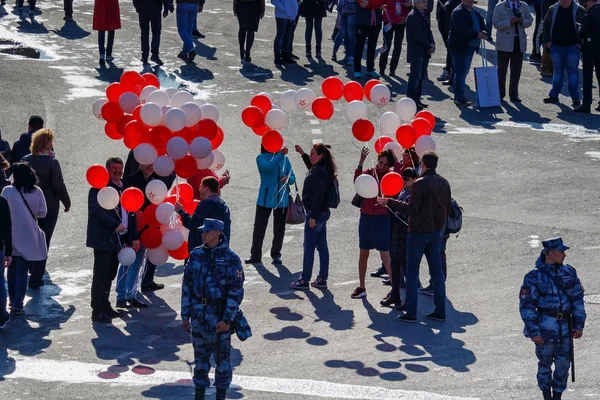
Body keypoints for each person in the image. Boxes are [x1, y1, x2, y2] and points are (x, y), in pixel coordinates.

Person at [381, 152, 451, 323]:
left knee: (412, 273)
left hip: (419, 232)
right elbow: (447, 207)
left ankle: (411, 312)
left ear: (423, 165)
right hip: (436, 232)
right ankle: (440, 310)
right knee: (437, 272)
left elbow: (411, 209)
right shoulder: (444, 182)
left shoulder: (419, 184)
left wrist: (388, 201)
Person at [181, 218, 244, 400]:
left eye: (207, 231)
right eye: (202, 231)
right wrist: (185, 315)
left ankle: (220, 396)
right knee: (200, 362)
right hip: (198, 316)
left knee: (222, 363)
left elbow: (236, 292)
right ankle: (199, 395)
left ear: (217, 233)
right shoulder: (196, 255)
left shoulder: (231, 259)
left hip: (218, 317)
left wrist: (227, 320)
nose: (202, 234)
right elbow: (187, 286)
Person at [519, 237, 586, 400]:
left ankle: (557, 396)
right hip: (545, 327)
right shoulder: (534, 277)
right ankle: (546, 396)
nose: (564, 255)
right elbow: (527, 306)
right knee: (544, 364)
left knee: (564, 365)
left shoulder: (569, 272)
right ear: (551, 253)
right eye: (561, 251)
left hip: (565, 327)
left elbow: (577, 299)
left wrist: (579, 324)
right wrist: (534, 331)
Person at [86, 157, 139, 323]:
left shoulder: (126, 188)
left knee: (110, 275)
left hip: (119, 239)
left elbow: (132, 213)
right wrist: (114, 224)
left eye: (120, 168)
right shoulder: (98, 189)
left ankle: (105, 305)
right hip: (104, 238)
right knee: (101, 275)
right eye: (114, 168)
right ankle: (97, 310)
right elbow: (96, 211)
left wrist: (134, 237)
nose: (117, 171)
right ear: (107, 170)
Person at [21, 129, 71, 287]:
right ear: (45, 143)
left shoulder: (26, 160)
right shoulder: (52, 162)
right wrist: (66, 202)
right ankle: (36, 277)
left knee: (29, 237)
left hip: (27, 204)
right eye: (50, 141)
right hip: (49, 205)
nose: (52, 144)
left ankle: (28, 266)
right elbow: (58, 185)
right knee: (44, 239)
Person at [352, 148, 400, 300]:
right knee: (363, 254)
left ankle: (395, 291)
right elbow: (357, 181)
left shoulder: (390, 176)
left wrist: (396, 161)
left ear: (389, 165)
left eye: (386, 164)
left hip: (382, 218)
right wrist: (361, 161)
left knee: (385, 256)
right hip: (366, 216)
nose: (381, 166)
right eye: (380, 162)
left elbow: (398, 176)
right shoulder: (370, 172)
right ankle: (361, 287)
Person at [1, 163, 47, 316]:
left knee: (11, 270)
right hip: (29, 235)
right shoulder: (37, 191)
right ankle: (18, 305)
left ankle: (12, 301)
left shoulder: (8, 191)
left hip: (11, 235)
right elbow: (43, 213)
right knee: (23, 271)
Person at [290, 144, 336, 290]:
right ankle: (322, 278)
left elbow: (318, 196)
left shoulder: (318, 173)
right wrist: (303, 154)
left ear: (321, 155)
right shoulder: (323, 169)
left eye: (313, 154)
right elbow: (311, 166)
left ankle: (305, 279)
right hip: (322, 213)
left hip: (316, 214)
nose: (311, 156)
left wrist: (312, 217)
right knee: (322, 246)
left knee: (309, 247)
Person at [245, 146, 295, 265]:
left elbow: (293, 178)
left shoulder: (285, 159)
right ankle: (255, 255)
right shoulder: (261, 158)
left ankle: (276, 254)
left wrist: (288, 179)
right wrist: (280, 155)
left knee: (279, 229)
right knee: (259, 228)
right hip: (265, 199)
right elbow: (268, 168)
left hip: (281, 199)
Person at [378, 167, 417, 308]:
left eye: (407, 178)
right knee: (395, 264)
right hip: (397, 233)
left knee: (407, 268)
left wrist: (390, 202)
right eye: (402, 178)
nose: (404, 181)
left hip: (407, 234)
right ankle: (395, 295)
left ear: (414, 179)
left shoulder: (414, 193)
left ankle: (408, 300)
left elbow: (407, 209)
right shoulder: (402, 191)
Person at [542, 0, 585, 108]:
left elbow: (585, 27)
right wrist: (547, 42)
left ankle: (575, 98)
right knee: (557, 72)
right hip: (556, 47)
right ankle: (554, 95)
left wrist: (580, 44)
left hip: (573, 47)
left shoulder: (579, 10)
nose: (564, 1)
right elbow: (546, 25)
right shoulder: (552, 9)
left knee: (573, 73)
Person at [176, 176, 231, 252]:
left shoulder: (205, 205)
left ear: (206, 188)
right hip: (220, 250)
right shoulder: (224, 206)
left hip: (203, 253)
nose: (199, 189)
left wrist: (181, 212)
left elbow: (192, 224)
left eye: (201, 186)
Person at [448, 0, 487, 107]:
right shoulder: (458, 12)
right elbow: (463, 30)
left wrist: (483, 29)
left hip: (470, 47)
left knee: (463, 71)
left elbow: (481, 22)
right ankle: (459, 98)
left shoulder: (474, 11)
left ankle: (460, 96)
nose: (470, 1)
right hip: (459, 47)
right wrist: (477, 34)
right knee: (460, 72)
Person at [493, 0, 533, 103]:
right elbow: (496, 24)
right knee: (502, 70)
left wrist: (521, 21)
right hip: (504, 43)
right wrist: (509, 21)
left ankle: (514, 93)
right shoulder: (499, 7)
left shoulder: (524, 6)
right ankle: (500, 93)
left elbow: (529, 20)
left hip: (518, 42)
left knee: (516, 70)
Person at [406, 0, 436, 109]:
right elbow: (419, 35)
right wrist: (429, 46)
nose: (426, 3)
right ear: (417, 3)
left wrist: (432, 43)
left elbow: (428, 31)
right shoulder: (413, 16)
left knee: (420, 77)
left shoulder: (422, 14)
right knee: (415, 76)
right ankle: (411, 101)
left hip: (423, 51)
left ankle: (417, 99)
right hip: (417, 52)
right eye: (423, 1)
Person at [574, 0, 600, 113]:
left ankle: (586, 104)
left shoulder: (589, 14)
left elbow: (582, 32)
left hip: (589, 49)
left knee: (587, 78)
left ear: (589, 2)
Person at [133, 0, 173, 66]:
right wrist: (166, 8)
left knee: (144, 33)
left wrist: (136, 6)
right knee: (156, 32)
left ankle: (145, 55)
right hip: (155, 8)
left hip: (143, 8)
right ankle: (154, 54)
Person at [379, 0, 411, 76]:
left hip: (400, 21)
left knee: (398, 46)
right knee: (386, 45)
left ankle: (392, 69)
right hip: (388, 20)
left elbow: (410, 4)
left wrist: (405, 17)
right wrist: (380, 7)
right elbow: (380, 3)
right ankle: (382, 68)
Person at [354, 0, 384, 78]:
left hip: (375, 22)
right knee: (359, 46)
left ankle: (370, 69)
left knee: (372, 47)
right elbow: (363, 4)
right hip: (362, 21)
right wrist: (376, 4)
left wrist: (370, 3)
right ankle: (357, 70)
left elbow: (382, 2)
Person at [437, 0, 461, 85]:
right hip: (445, 21)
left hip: (452, 24)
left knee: (452, 50)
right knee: (450, 49)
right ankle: (449, 72)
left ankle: (451, 73)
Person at [93, 0, 121, 66]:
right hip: (111, 3)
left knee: (101, 29)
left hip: (100, 3)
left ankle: (102, 54)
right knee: (111, 28)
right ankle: (108, 54)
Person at [272, 0, 299, 66]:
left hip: (291, 15)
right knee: (280, 35)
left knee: (288, 36)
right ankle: (277, 57)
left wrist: (294, 12)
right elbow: (274, 1)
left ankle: (285, 55)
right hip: (282, 15)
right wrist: (284, 9)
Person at [0, 190, 13, 329]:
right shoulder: (2, 201)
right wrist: (8, 251)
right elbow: (6, 228)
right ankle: (1, 317)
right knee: (0, 282)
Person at [332, 0, 356, 64]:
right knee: (343, 33)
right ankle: (346, 56)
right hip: (342, 7)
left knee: (350, 34)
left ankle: (351, 57)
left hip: (352, 9)